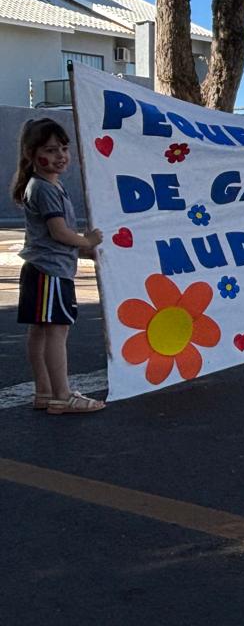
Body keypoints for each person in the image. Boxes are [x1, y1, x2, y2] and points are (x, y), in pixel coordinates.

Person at [12, 118, 104, 414]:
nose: (60, 155)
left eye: (64, 148)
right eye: (51, 150)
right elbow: (58, 232)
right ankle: (62, 395)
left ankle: (45, 390)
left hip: (41, 269)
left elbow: (52, 238)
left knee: (40, 331)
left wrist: (83, 251)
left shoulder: (47, 185)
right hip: (50, 273)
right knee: (56, 331)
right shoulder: (44, 189)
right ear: (31, 153)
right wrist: (85, 240)